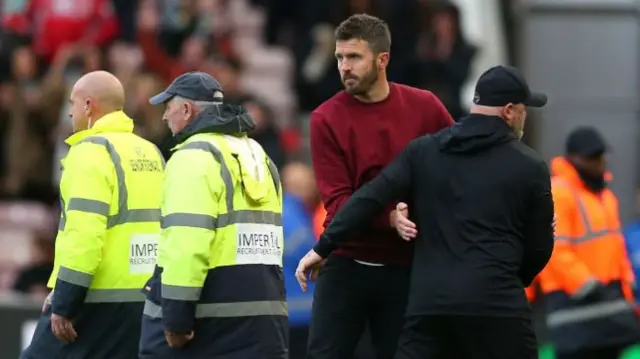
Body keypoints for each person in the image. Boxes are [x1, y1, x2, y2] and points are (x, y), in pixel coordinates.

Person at [298, 65, 555, 359]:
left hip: (430, 308)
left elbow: (368, 199)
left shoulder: (424, 151)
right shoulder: (530, 166)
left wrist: (323, 247)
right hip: (497, 306)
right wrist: (506, 278)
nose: (525, 116)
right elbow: (539, 248)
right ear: (509, 111)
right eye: (525, 109)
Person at [307, 13, 455, 359]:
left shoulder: (425, 107)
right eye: (340, 58)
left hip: (407, 267)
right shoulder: (325, 119)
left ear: (382, 59)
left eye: (354, 57)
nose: (344, 66)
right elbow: (338, 202)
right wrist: (388, 218)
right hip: (346, 262)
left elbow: (458, 165)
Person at [139, 72, 288, 359]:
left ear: (186, 110)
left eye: (167, 107)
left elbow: (186, 246)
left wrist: (176, 321)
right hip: (266, 321)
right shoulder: (258, 154)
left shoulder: (192, 157)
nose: (164, 117)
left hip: (209, 326)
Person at [21, 71, 165, 359]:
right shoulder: (151, 152)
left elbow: (85, 235)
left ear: (88, 106)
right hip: (147, 298)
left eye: (72, 104)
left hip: (97, 297)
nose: (70, 111)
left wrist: (65, 300)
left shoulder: (90, 153)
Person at [537, 127, 640, 359]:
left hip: (608, 307)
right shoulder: (560, 193)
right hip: (576, 308)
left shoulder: (604, 196)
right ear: (573, 158)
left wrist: (627, 282)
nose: (599, 162)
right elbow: (553, 250)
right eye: (592, 157)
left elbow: (615, 245)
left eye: (601, 156)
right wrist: (587, 286)